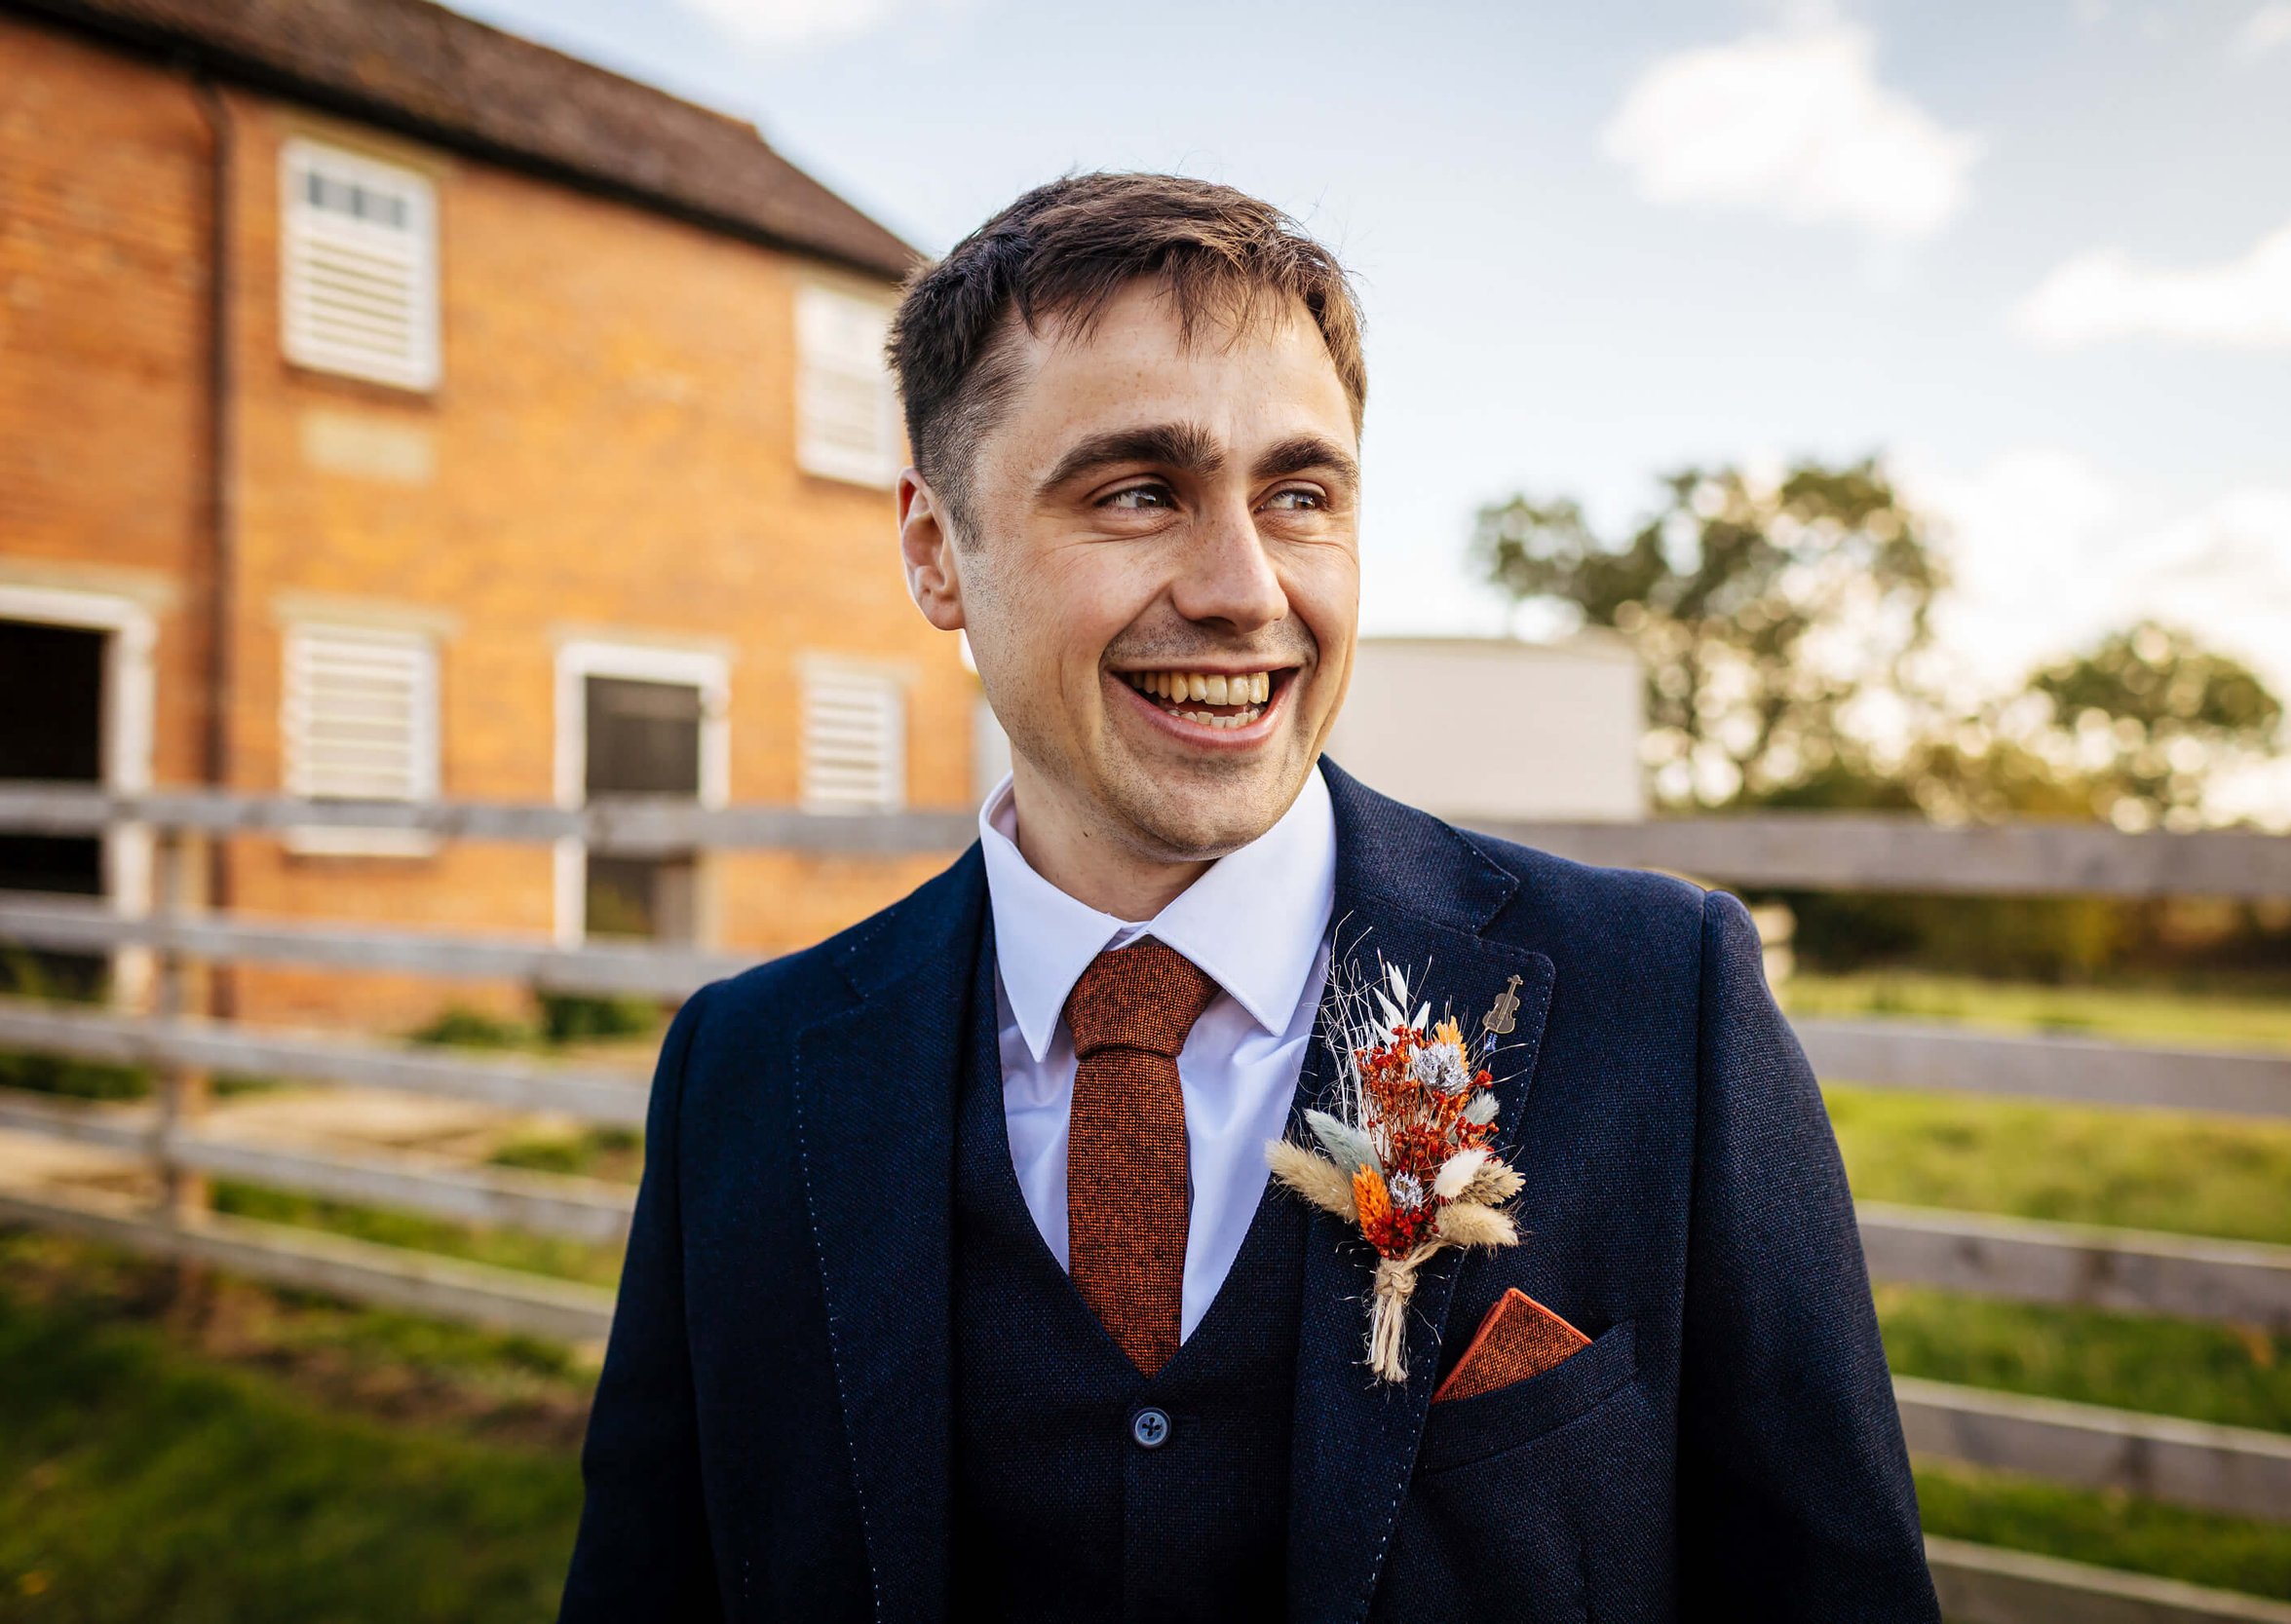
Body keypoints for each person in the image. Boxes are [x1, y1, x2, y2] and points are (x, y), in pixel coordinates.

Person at [558, 171, 1938, 1624]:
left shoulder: (1659, 997)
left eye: (1299, 494)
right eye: (1139, 492)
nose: (1242, 588)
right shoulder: (747, 1072)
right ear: (933, 550)